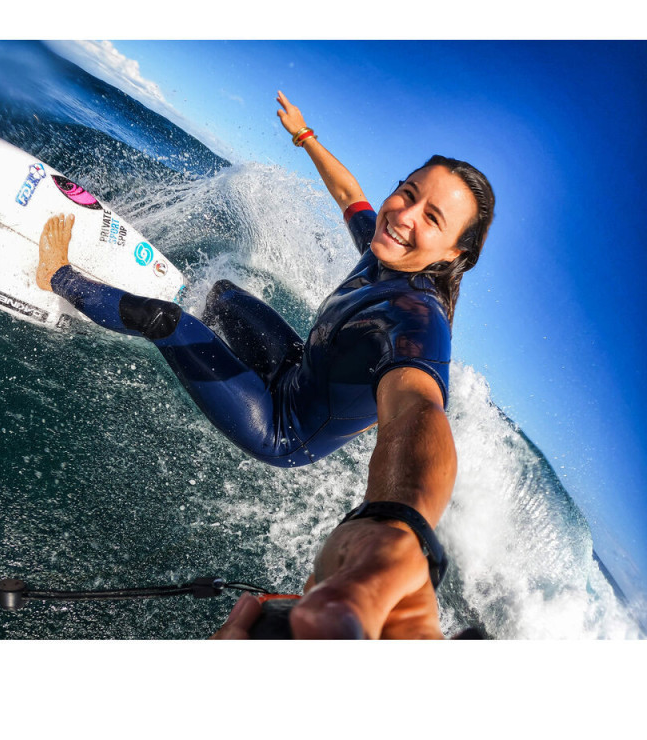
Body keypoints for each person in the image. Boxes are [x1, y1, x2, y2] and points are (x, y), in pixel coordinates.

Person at [36, 91, 495, 638]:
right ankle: (154, 323)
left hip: (283, 427)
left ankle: (57, 276)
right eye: (408, 193)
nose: (404, 215)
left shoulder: (417, 320)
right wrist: (305, 136)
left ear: (454, 254)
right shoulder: (384, 248)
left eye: (432, 218)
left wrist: (403, 525)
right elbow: (350, 195)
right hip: (295, 368)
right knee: (223, 296)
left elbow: (418, 410)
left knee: (169, 322)